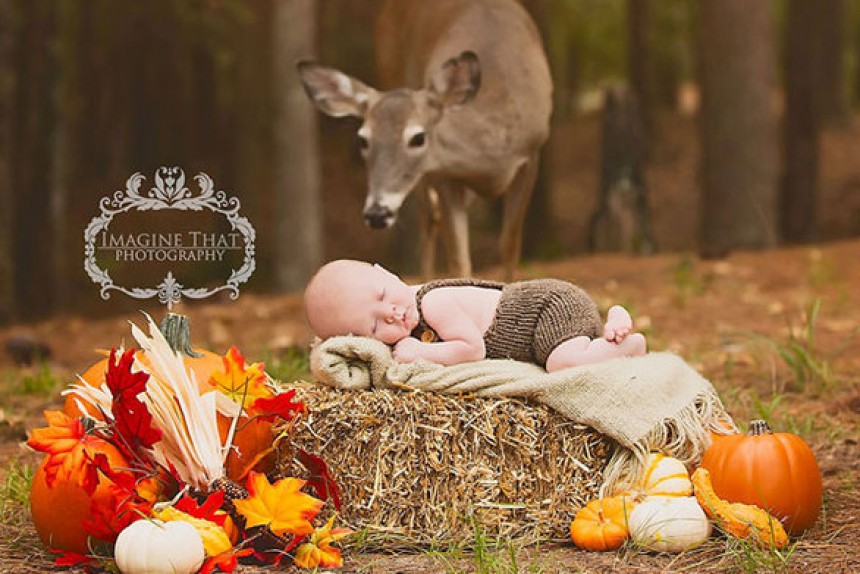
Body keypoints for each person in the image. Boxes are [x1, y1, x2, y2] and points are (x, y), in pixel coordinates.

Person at [304, 259, 647, 372]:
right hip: (540, 325)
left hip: (547, 309)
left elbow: (472, 349)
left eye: (382, 296)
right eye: (375, 325)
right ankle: (606, 333)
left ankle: (627, 344)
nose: (392, 315)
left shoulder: (432, 304)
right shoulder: (408, 316)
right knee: (570, 352)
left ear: (389, 273)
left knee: (561, 363)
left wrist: (422, 352)